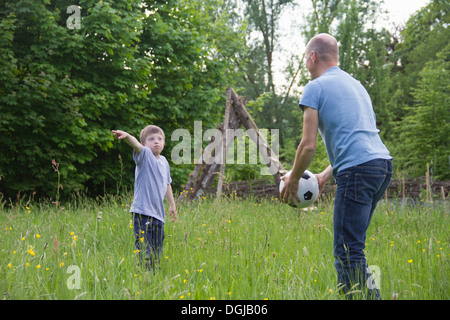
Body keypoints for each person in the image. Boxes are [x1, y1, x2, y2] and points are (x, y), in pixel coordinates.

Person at [280, 33, 393, 299]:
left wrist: (294, 178)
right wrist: (323, 176)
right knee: (354, 247)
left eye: (306, 58)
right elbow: (359, 140)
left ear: (313, 57)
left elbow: (307, 145)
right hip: (382, 166)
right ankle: (373, 296)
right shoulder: (357, 86)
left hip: (358, 171)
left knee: (346, 249)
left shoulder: (315, 87)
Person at [112, 125, 177, 270]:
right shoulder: (145, 155)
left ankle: (154, 277)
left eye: (159, 139)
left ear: (164, 143)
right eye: (151, 139)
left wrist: (172, 205)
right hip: (142, 213)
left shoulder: (164, 162)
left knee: (157, 252)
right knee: (144, 251)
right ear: (144, 144)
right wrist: (127, 136)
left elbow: (167, 184)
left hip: (159, 216)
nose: (156, 142)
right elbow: (135, 144)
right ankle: (143, 277)